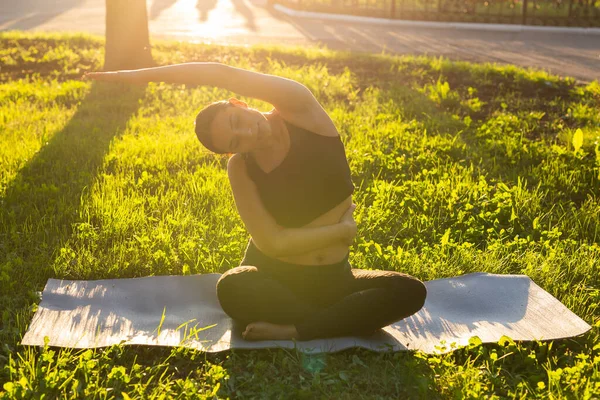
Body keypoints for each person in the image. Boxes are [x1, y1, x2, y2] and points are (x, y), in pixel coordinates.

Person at [85, 62, 427, 341]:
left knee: (410, 291)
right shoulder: (241, 167)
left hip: (336, 278)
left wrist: (137, 73)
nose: (248, 134)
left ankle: (299, 327)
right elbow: (273, 243)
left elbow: (220, 73)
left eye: (237, 122)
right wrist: (342, 232)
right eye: (235, 140)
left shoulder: (301, 109)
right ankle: (333, 322)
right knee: (233, 287)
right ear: (231, 151)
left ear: (240, 103)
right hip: (275, 281)